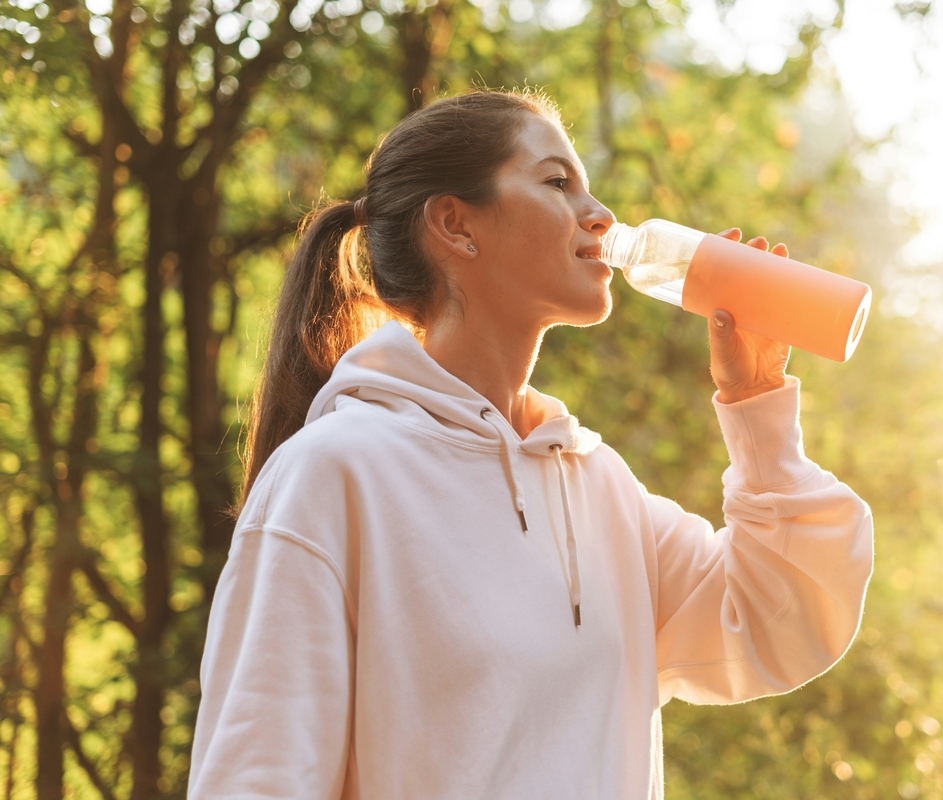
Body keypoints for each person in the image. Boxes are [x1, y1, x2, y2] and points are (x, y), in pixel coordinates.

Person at [188, 89, 874, 799]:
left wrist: (755, 403)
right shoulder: (333, 475)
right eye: (556, 182)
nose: (601, 214)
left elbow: (782, 619)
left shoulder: (598, 486)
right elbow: (257, 777)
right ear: (455, 225)